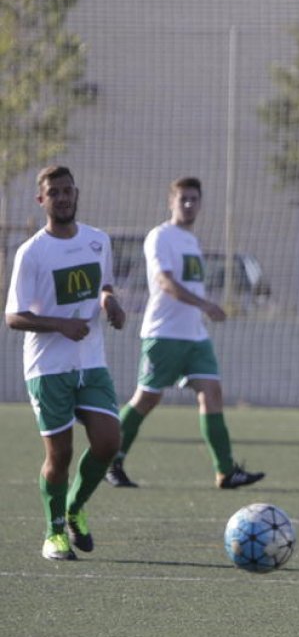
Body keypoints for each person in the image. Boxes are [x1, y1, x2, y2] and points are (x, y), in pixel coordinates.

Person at [106, 177, 264, 489]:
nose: (189, 205)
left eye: (194, 199)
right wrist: (206, 305)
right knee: (147, 399)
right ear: (172, 202)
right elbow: (164, 283)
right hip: (163, 333)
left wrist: (201, 312)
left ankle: (226, 471)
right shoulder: (160, 237)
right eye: (183, 199)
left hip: (194, 335)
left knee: (212, 392)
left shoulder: (192, 241)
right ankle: (112, 459)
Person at [5, 165, 127, 560]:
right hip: (48, 368)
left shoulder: (98, 240)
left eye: (67, 191)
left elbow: (104, 285)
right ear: (42, 200)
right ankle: (53, 532)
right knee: (59, 456)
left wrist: (110, 301)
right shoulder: (32, 252)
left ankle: (74, 508)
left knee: (109, 442)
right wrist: (59, 324)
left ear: (77, 194)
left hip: (90, 361)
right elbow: (13, 316)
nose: (61, 197)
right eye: (53, 192)